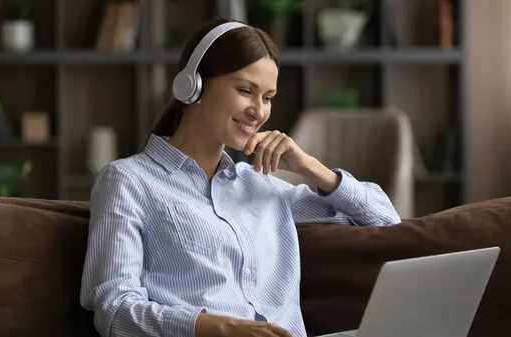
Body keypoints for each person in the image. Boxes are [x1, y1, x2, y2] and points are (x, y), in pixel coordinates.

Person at [80, 18, 401, 337]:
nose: (259, 112)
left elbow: (386, 223)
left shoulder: (261, 186)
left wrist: (309, 166)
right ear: (193, 86)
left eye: (268, 97)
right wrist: (218, 327)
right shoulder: (128, 181)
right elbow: (114, 310)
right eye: (246, 90)